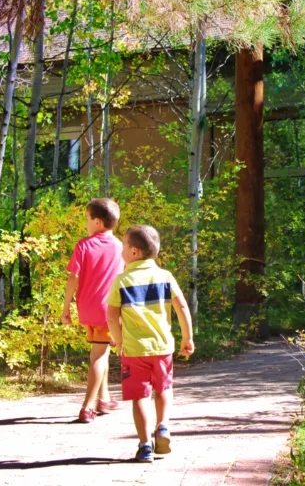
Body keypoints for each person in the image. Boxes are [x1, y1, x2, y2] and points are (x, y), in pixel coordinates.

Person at [106, 224, 194, 463]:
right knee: (164, 389)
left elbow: (112, 316)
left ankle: (145, 446)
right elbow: (182, 307)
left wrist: (119, 339)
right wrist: (187, 337)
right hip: (163, 347)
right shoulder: (165, 277)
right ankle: (163, 426)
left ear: (134, 252)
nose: (121, 250)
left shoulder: (121, 281)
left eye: (123, 246)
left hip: (134, 351)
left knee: (139, 397)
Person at [62, 198, 124, 423]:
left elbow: (73, 277)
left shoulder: (83, 245)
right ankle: (88, 406)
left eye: (87, 219)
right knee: (99, 354)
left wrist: (66, 306)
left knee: (101, 351)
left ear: (97, 222)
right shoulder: (120, 247)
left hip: (87, 309)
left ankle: (102, 399)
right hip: (108, 309)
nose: (86, 223)